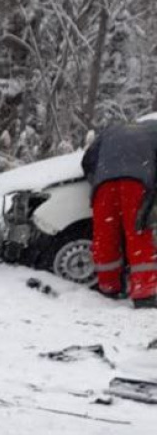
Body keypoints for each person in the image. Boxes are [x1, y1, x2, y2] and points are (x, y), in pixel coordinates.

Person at [81, 120, 157, 308]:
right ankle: (145, 292)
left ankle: (108, 286)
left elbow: (87, 161)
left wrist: (98, 180)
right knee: (138, 233)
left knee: (105, 236)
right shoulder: (154, 132)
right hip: (136, 183)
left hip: (104, 183)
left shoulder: (110, 131)